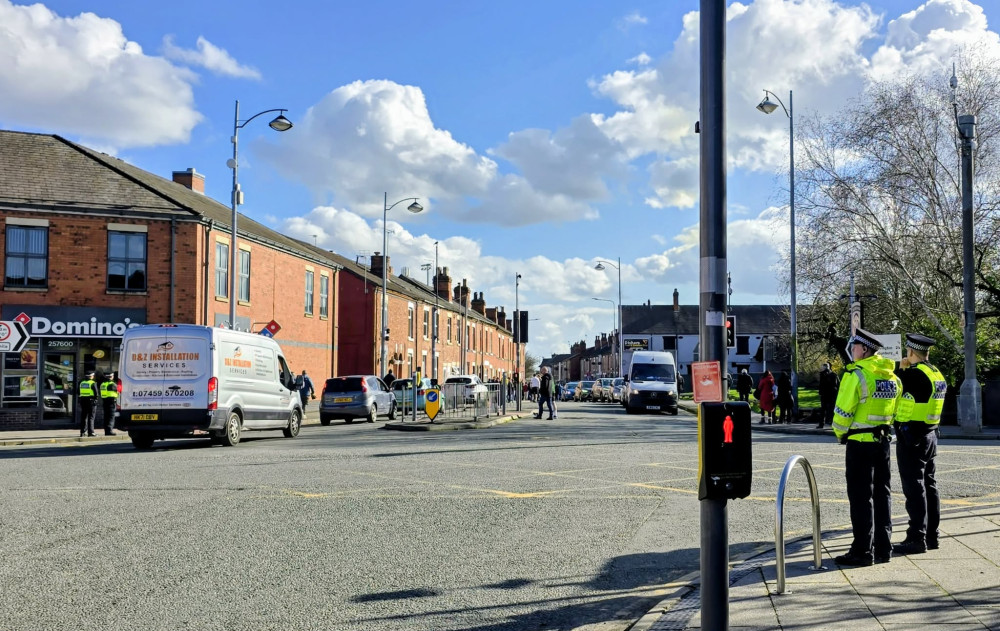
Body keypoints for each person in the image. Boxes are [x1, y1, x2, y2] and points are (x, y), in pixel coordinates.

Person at [832, 328, 902, 567]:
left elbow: (842, 413)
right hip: (883, 442)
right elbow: (896, 409)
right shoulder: (891, 376)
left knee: (861, 498)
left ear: (863, 349)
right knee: (882, 495)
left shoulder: (856, 374)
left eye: (854, 347)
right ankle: (884, 548)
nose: (852, 351)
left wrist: (841, 434)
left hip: (859, 443)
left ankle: (862, 551)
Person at [893, 333, 947, 555]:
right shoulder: (935, 373)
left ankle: (916, 537)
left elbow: (893, 385)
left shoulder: (913, 375)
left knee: (914, 488)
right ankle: (932, 535)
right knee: (929, 485)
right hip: (931, 434)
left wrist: (901, 368)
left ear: (911, 352)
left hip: (912, 437)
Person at [818, 362, 840, 428]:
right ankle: (832, 423)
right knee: (831, 409)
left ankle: (821, 424)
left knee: (823, 409)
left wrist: (820, 393)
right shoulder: (834, 375)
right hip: (832, 394)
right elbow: (838, 384)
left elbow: (821, 385)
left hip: (825, 394)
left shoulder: (822, 374)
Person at [78, 371, 99, 437]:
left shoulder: (81, 382)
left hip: (83, 400)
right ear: (91, 376)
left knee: (84, 416)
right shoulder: (93, 383)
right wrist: (96, 399)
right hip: (91, 401)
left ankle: (83, 432)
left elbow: (78, 392)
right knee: (91, 417)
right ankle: (91, 432)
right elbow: (96, 393)